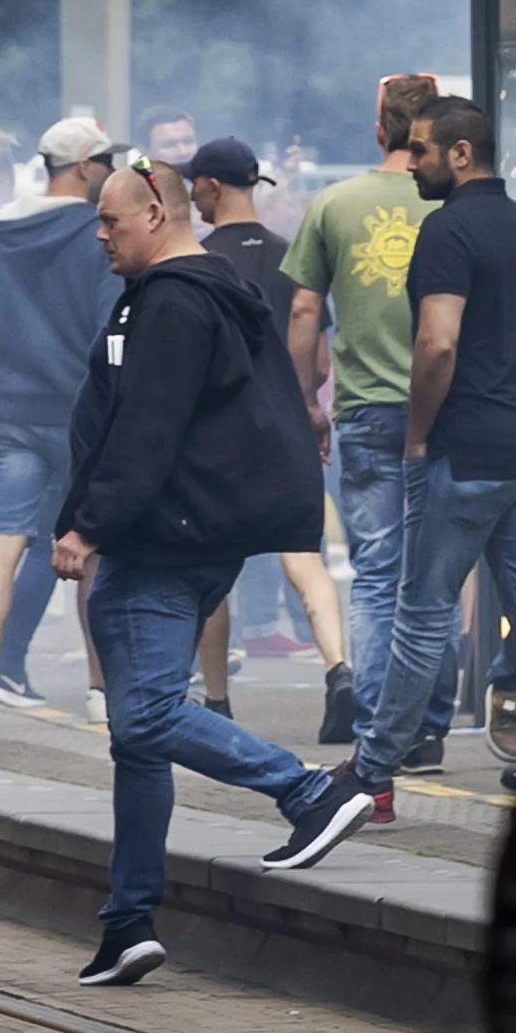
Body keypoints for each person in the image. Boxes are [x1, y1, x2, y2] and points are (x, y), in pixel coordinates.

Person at [57, 161, 370, 985]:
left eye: (111, 222)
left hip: (157, 543)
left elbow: (143, 428)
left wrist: (88, 523)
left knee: (150, 716)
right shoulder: (222, 291)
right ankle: (128, 919)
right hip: (198, 539)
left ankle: (307, 791)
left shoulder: (170, 305)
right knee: (137, 739)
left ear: (155, 215)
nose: (99, 236)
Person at [341, 98, 516, 823]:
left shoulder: (445, 231)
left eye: (417, 151)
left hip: (461, 455)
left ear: (458, 154)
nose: (408, 162)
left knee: (419, 616)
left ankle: (374, 773)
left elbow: (437, 343)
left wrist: (418, 435)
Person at [288, 74, 450, 762]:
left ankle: (378, 728)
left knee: (378, 573)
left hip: (363, 413)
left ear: (379, 129)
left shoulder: (334, 204)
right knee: (436, 572)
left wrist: (306, 403)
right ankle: (432, 723)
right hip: (440, 410)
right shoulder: (449, 203)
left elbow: (302, 314)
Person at [182, 136, 355, 731]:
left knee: (212, 569)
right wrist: (305, 403)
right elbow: (323, 362)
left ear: (210, 186)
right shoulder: (292, 258)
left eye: (193, 184)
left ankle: (219, 699)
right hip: (285, 428)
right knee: (305, 558)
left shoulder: (196, 262)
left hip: (221, 436)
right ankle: (338, 670)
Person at [0, 115, 118, 733]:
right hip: (77, 413)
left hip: (12, 410)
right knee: (87, 546)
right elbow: (109, 326)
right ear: (82, 165)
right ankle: (100, 688)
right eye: (102, 161)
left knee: (6, 537)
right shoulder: (98, 232)